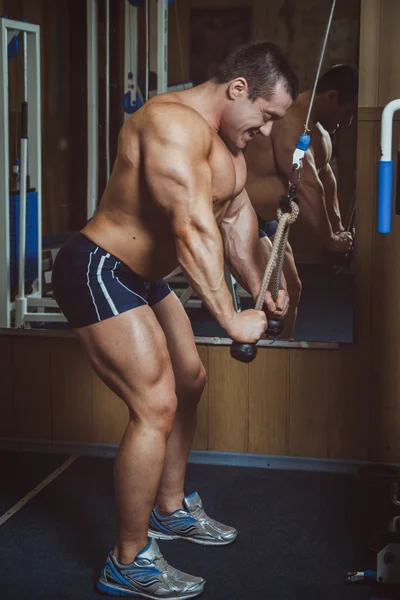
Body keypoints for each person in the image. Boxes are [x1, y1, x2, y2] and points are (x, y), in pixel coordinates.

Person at [52, 41, 297, 599]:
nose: (265, 132)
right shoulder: (167, 124)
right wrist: (232, 318)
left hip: (144, 277)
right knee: (155, 401)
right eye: (265, 117)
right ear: (238, 90)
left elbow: (236, 230)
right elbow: (192, 228)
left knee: (190, 379)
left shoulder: (230, 152)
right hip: (99, 267)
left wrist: (267, 287)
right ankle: (128, 559)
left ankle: (168, 508)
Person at [245, 64, 358, 339]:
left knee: (292, 291)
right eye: (348, 112)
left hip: (271, 222)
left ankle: (280, 356)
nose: (348, 121)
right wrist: (330, 240)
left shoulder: (319, 133)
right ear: (331, 97)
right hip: (244, 219)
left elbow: (325, 178)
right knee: (278, 296)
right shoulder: (292, 123)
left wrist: (338, 226)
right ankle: (263, 366)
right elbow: (306, 185)